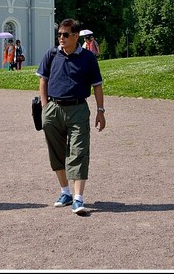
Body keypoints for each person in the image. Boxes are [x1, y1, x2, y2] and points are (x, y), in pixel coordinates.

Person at [36, 18, 105, 216]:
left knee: (79, 151)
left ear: (76, 36)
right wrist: (45, 108)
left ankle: (78, 198)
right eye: (59, 34)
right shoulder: (51, 54)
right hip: (54, 109)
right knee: (56, 152)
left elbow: (97, 85)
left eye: (66, 35)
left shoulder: (88, 58)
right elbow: (43, 80)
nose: (61, 38)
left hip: (78, 109)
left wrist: (101, 111)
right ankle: (65, 192)